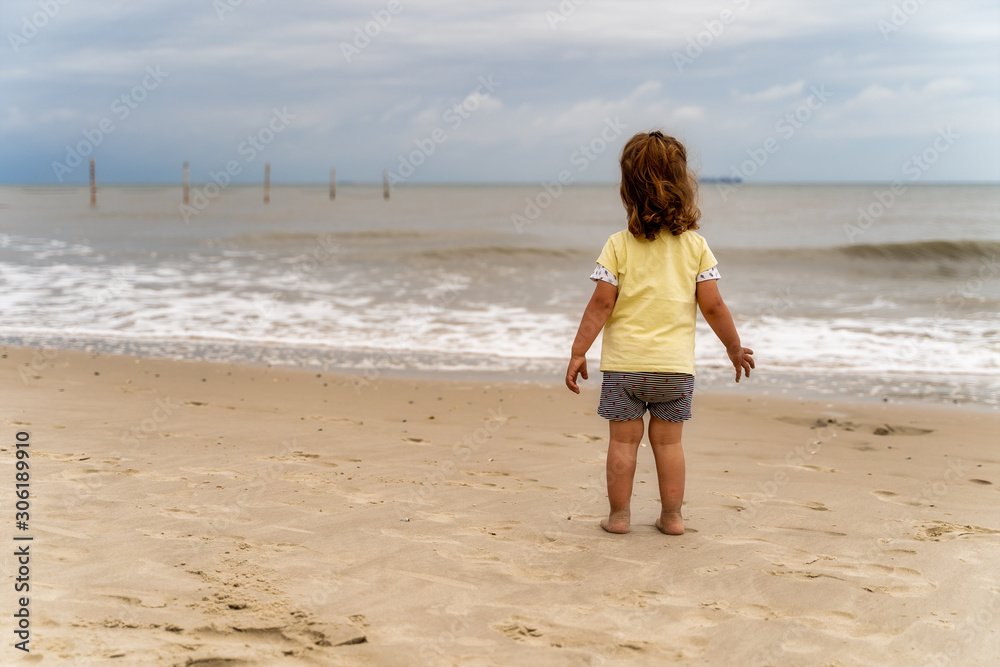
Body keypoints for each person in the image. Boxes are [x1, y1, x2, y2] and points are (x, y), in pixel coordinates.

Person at [565, 130, 754, 536]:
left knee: (623, 444)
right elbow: (713, 305)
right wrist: (734, 348)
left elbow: (600, 305)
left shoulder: (617, 246)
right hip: (674, 371)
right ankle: (672, 517)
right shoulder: (696, 247)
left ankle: (619, 517)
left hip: (624, 370)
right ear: (683, 185)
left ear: (628, 190)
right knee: (669, 444)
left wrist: (579, 352)